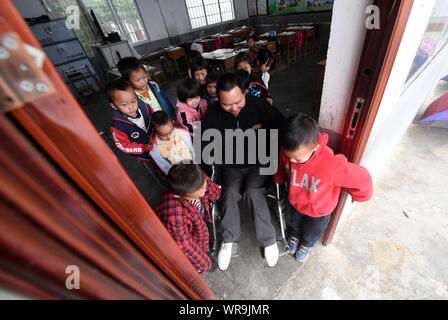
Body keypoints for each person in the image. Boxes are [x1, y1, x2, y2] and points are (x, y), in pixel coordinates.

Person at [201, 72, 285, 270]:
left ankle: (269, 241)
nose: (234, 108)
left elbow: (282, 128)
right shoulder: (212, 114)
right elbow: (205, 146)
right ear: (217, 99)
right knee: (229, 193)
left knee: (253, 192)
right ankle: (228, 241)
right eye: (227, 104)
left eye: (238, 101)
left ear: (245, 92)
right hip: (231, 166)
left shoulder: (260, 106)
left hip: (259, 164)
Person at [274, 114, 373, 262]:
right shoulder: (287, 153)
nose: (292, 161)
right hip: (296, 203)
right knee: (294, 223)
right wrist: (280, 177)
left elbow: (361, 177)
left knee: (312, 233)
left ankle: (306, 245)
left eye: (297, 159)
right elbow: (282, 166)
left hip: (319, 212)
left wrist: (359, 195)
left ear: (316, 147)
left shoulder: (331, 165)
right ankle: (293, 236)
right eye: (289, 157)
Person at [156, 162, 222, 274]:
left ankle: (204, 248)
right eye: (197, 195)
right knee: (201, 254)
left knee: (202, 232)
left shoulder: (197, 178)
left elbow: (211, 190)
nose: (203, 194)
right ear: (178, 196)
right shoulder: (173, 215)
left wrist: (213, 192)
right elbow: (186, 245)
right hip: (190, 234)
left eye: (204, 188)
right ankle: (204, 257)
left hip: (196, 217)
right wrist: (206, 264)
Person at [107, 78, 166, 185]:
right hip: (146, 157)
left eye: (133, 101)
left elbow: (155, 119)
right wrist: (143, 148)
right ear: (114, 106)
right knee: (158, 174)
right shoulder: (117, 126)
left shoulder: (145, 107)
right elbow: (123, 145)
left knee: (167, 166)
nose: (131, 107)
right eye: (124, 104)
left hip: (159, 146)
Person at [149, 111, 195, 175]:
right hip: (179, 175)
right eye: (163, 135)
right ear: (154, 130)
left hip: (194, 167)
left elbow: (191, 149)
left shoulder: (183, 133)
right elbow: (164, 166)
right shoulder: (154, 150)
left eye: (171, 132)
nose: (169, 138)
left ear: (173, 122)